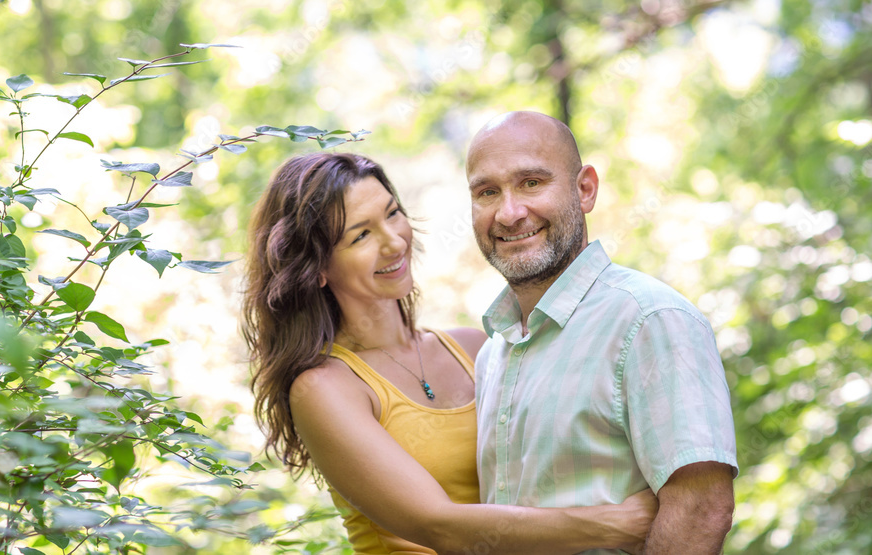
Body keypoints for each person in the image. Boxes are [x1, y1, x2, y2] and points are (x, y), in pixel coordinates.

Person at [241, 152, 658, 555]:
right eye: (361, 235)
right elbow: (439, 526)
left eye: (391, 214)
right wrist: (616, 523)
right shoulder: (324, 388)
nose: (393, 242)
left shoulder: (476, 347)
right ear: (316, 269)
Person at [466, 111, 739, 554]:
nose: (510, 212)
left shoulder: (651, 319)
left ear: (585, 189)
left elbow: (702, 509)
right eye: (487, 192)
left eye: (532, 183)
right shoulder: (493, 353)